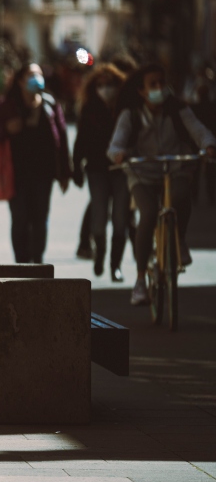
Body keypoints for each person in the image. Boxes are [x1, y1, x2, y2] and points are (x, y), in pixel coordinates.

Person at [108, 63, 216, 306]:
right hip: (142, 173)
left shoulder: (178, 110)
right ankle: (139, 281)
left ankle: (180, 239)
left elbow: (199, 131)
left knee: (181, 195)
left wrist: (208, 145)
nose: (158, 88)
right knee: (147, 214)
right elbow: (115, 144)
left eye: (161, 83)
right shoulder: (131, 115)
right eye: (152, 84)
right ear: (141, 91)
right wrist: (119, 154)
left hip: (174, 169)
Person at [0, 63, 72, 264]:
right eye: (31, 75)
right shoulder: (7, 105)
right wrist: (6, 129)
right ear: (20, 81)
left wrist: (65, 172)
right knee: (20, 218)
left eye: (39, 74)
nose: (36, 79)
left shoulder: (50, 104)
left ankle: (38, 260)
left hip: (44, 172)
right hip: (15, 172)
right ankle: (22, 262)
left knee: (40, 218)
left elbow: (63, 139)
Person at [73, 64, 129, 282]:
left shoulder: (126, 109)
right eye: (101, 85)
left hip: (121, 169)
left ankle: (116, 265)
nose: (106, 89)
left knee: (121, 219)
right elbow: (80, 140)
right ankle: (100, 254)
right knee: (98, 216)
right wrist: (76, 166)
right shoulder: (90, 109)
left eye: (110, 84)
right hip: (96, 169)